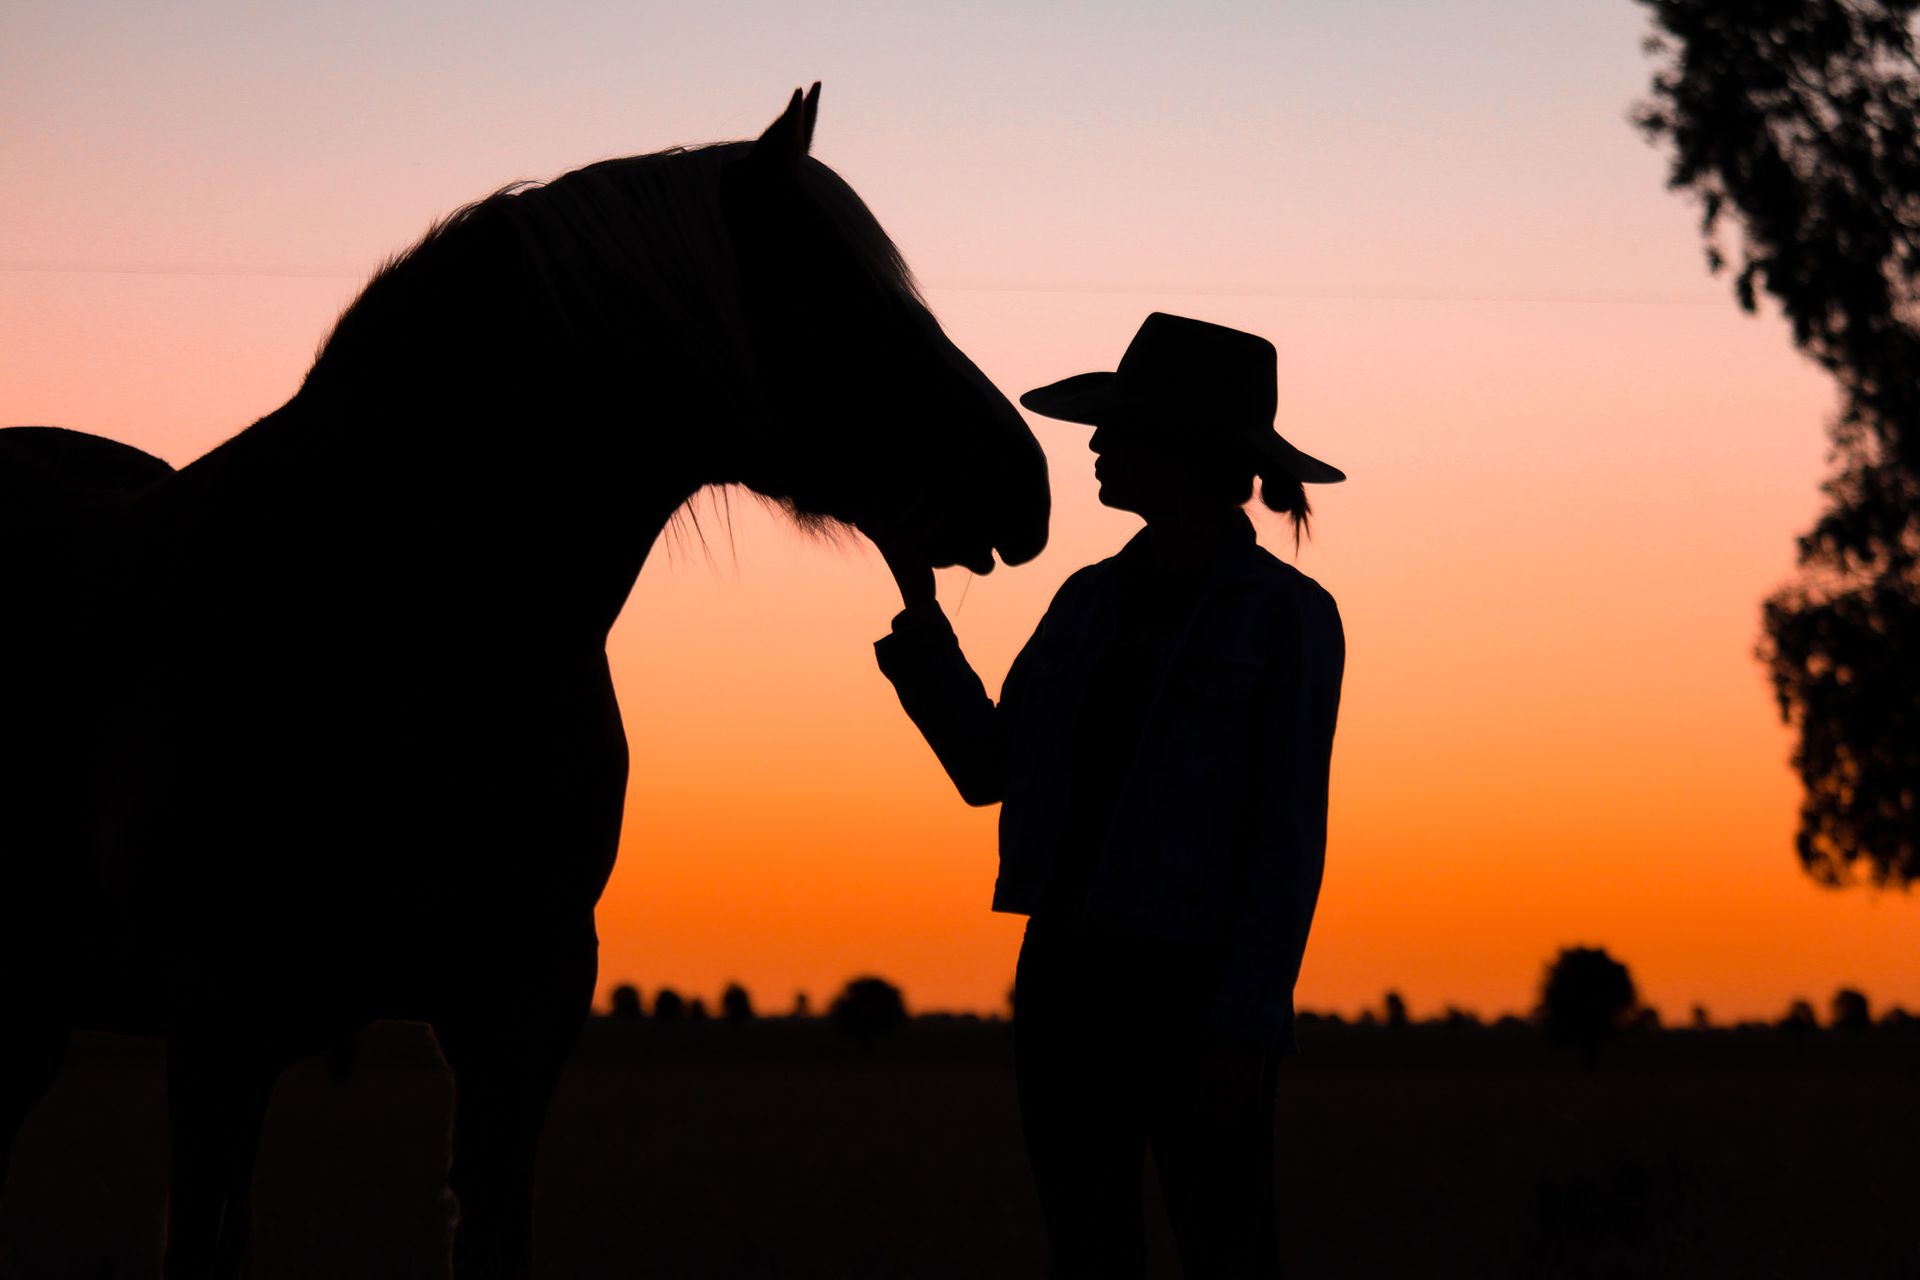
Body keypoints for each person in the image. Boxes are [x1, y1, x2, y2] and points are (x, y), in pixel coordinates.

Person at [863, 313, 1345, 1278]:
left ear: (1182, 451)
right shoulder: (1085, 600)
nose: (1091, 442)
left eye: (1116, 426)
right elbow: (988, 770)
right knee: (1088, 1255)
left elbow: (1286, 848)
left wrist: (1245, 1029)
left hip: (1197, 992)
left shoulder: (1288, 620)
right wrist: (915, 603)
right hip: (1064, 984)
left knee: (1229, 1254)